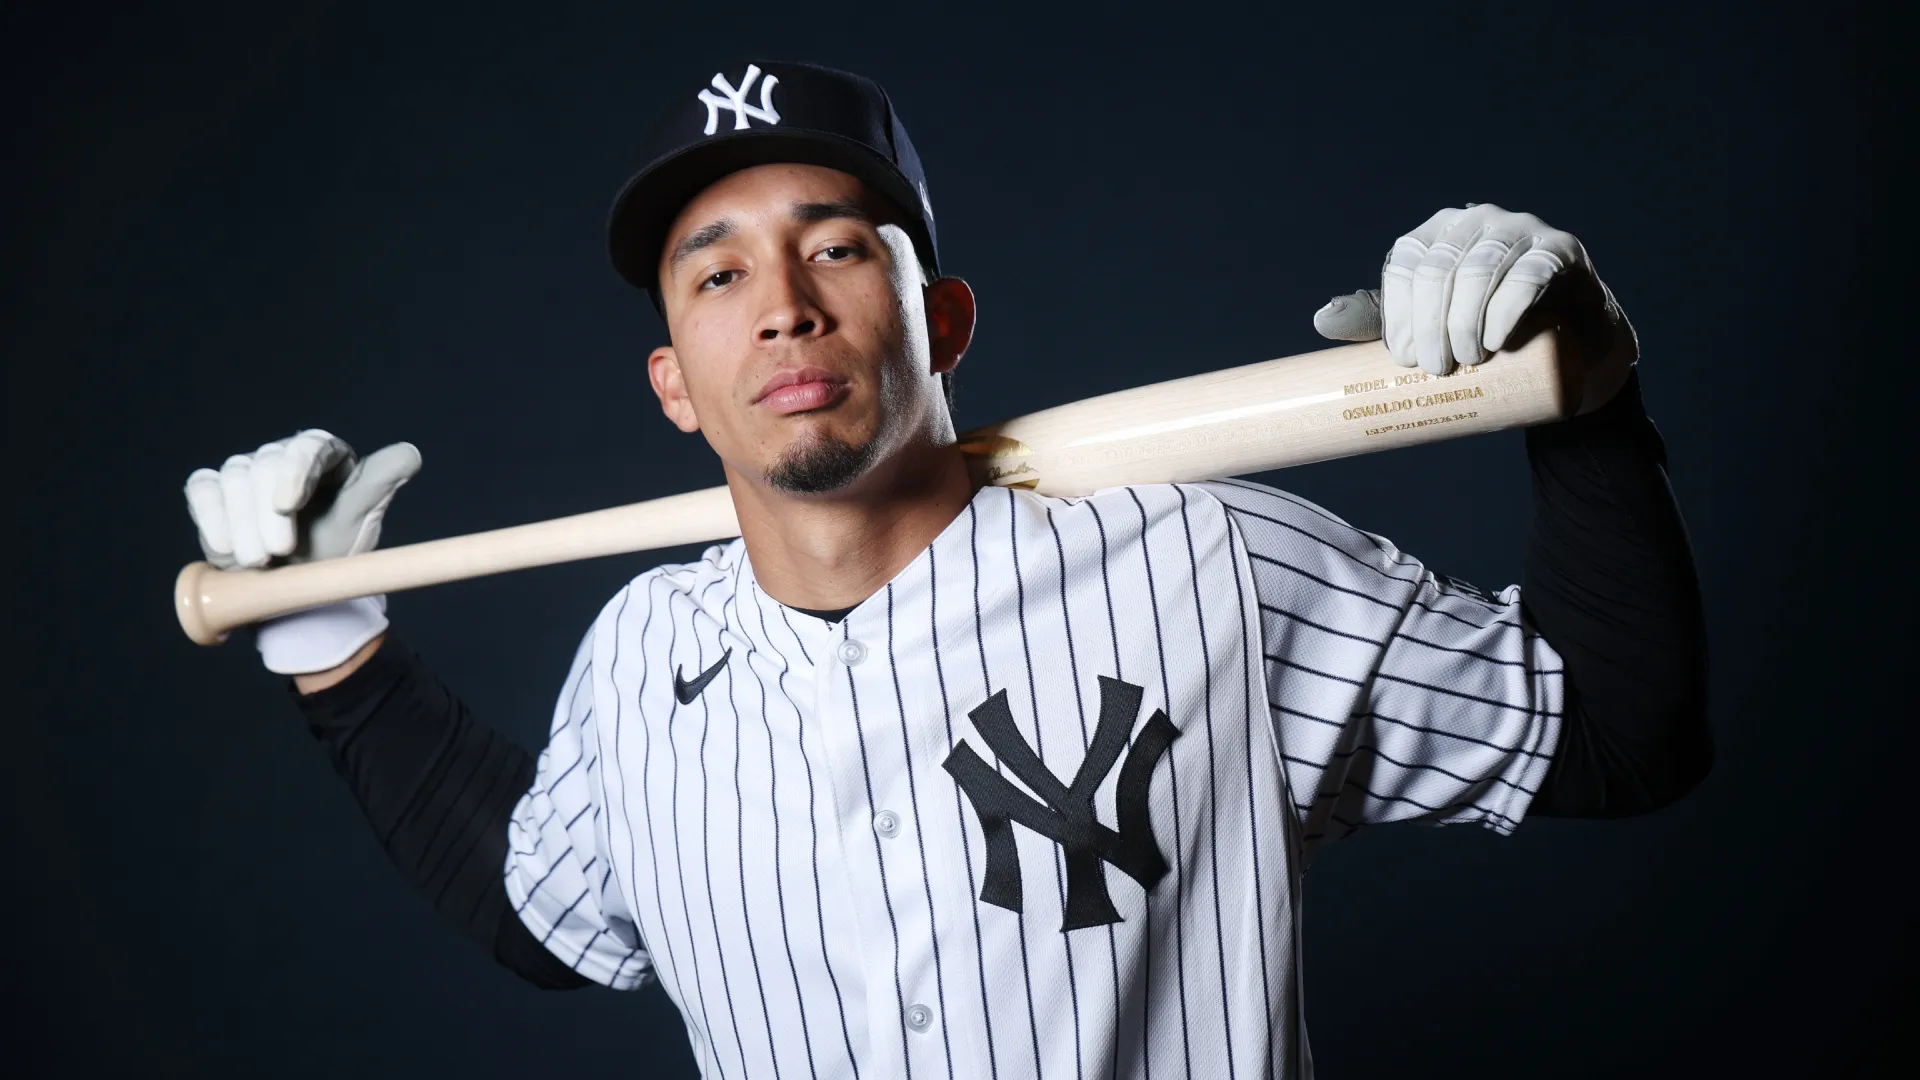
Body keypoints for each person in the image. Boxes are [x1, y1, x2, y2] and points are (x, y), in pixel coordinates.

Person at [181, 60, 1710, 1079]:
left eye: (837, 246)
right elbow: (546, 917)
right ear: (672, 379)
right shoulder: (638, 655)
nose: (780, 305)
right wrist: (332, 651)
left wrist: (1585, 391)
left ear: (946, 319)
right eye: (717, 271)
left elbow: (1625, 734)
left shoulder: (1212, 564)